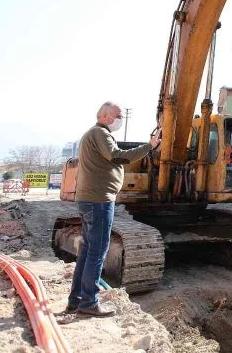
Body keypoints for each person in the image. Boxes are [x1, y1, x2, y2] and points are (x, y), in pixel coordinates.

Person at [67, 102, 160, 317]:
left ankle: (77, 299)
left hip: (90, 199)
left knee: (87, 251)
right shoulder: (100, 133)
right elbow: (118, 156)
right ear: (106, 116)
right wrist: (149, 147)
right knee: (97, 252)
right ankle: (88, 303)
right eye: (118, 115)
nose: (120, 119)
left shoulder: (94, 134)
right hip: (98, 201)